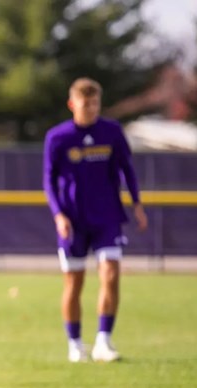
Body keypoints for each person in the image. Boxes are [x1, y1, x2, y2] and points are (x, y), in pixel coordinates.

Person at [43, 77, 148, 363]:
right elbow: (48, 180)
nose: (90, 108)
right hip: (74, 220)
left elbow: (127, 169)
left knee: (111, 274)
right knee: (74, 283)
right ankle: (75, 344)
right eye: (85, 103)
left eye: (95, 103)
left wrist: (136, 204)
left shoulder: (112, 132)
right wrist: (58, 215)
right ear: (72, 104)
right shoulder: (57, 137)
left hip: (107, 216)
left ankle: (104, 340)